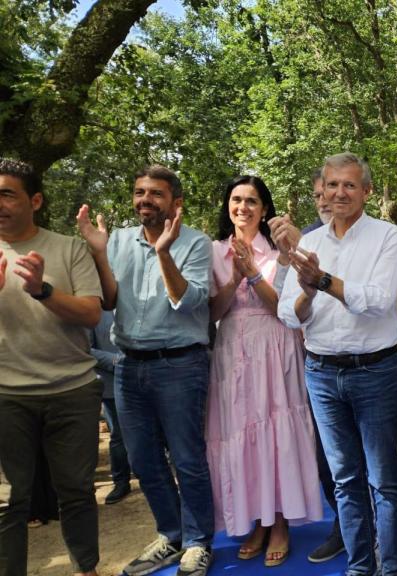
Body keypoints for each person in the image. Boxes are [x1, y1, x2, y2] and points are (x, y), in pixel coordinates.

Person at [77, 165, 216, 576]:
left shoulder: (196, 243)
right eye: (140, 192)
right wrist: (99, 253)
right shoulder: (118, 240)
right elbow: (108, 301)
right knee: (143, 459)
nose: (145, 200)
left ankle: (198, 542)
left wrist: (163, 252)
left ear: (176, 202)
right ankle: (171, 535)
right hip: (128, 366)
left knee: (187, 459)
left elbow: (188, 301)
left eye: (155, 193)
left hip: (180, 365)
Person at [278, 153, 397, 576]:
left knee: (383, 480)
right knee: (344, 479)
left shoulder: (388, 236)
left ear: (366, 191)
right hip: (321, 373)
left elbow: (378, 301)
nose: (339, 193)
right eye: (332, 185)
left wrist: (321, 280)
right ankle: (359, 567)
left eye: (349, 185)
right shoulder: (309, 244)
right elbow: (288, 314)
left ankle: (392, 568)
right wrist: (307, 292)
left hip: (375, 372)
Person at [206, 175, 323, 566]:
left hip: (275, 347)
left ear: (265, 208)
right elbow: (213, 312)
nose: (243, 207)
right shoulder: (214, 251)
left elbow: (283, 309)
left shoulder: (279, 252)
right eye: (236, 199)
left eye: (252, 201)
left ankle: (280, 523)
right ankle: (256, 520)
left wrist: (253, 274)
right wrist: (234, 278)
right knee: (240, 433)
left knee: (275, 434)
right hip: (231, 349)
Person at [0, 157, 103, 576]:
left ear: (35, 200)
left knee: (76, 491)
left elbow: (91, 314)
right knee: (8, 499)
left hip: (72, 390)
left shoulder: (69, 247)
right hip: (6, 395)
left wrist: (42, 290)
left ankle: (86, 569)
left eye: (7, 194)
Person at [267, 170, 347, 564]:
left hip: (362, 366)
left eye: (331, 191)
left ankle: (376, 534)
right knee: (326, 457)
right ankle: (345, 527)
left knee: (369, 460)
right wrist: (290, 254)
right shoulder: (307, 238)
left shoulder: (371, 236)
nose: (325, 200)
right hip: (312, 366)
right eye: (318, 194)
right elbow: (282, 301)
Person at [90, 309, 133, 505]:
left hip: (150, 374)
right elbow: (85, 348)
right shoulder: (95, 309)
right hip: (112, 381)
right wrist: (117, 361)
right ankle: (121, 481)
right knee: (118, 435)